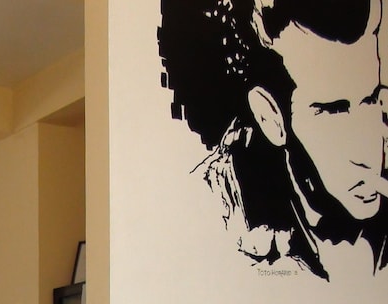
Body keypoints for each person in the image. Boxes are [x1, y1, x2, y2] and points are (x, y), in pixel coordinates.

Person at [157, 0, 387, 280]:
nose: (368, 150)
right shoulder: (212, 214)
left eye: (372, 100)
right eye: (334, 111)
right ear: (270, 118)